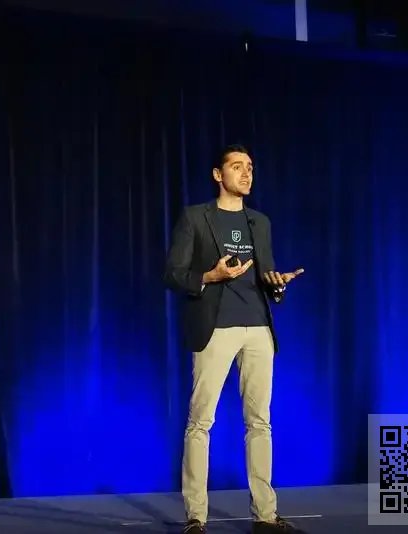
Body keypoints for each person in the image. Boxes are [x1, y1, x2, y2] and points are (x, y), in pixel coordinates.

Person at [163, 144, 305, 534]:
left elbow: (266, 276)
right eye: (237, 167)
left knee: (260, 422)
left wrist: (277, 284)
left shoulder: (260, 222)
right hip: (215, 328)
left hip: (258, 328)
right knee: (200, 423)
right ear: (218, 174)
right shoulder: (196, 217)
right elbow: (173, 274)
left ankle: (265, 516)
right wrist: (210, 276)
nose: (246, 174)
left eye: (250, 168)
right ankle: (196, 517)